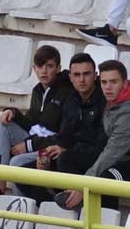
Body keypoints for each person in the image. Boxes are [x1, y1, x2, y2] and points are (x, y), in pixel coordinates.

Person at [56, 60, 130, 213]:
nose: (107, 87)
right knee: (66, 158)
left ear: (125, 83)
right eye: (104, 82)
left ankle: (105, 224)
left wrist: (85, 183)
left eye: (113, 82)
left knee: (105, 179)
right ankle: (76, 199)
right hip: (124, 159)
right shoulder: (114, 101)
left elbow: (113, 151)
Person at [16, 53, 105, 204]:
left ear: (95, 76)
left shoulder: (104, 102)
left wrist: (66, 150)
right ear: (70, 77)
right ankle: (53, 208)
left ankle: (69, 206)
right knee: (23, 176)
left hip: (94, 159)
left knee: (64, 159)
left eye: (86, 74)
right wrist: (51, 152)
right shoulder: (71, 100)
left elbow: (100, 144)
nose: (81, 79)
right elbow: (67, 135)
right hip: (71, 155)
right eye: (77, 75)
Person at [0, 45, 70, 196]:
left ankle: (21, 207)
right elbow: (32, 121)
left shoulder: (67, 91)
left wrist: (28, 145)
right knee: (1, 126)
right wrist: (12, 112)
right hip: (35, 140)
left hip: (51, 147)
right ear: (34, 69)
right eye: (40, 66)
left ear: (58, 68)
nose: (44, 71)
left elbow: (62, 135)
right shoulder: (38, 90)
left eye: (49, 66)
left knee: (16, 162)